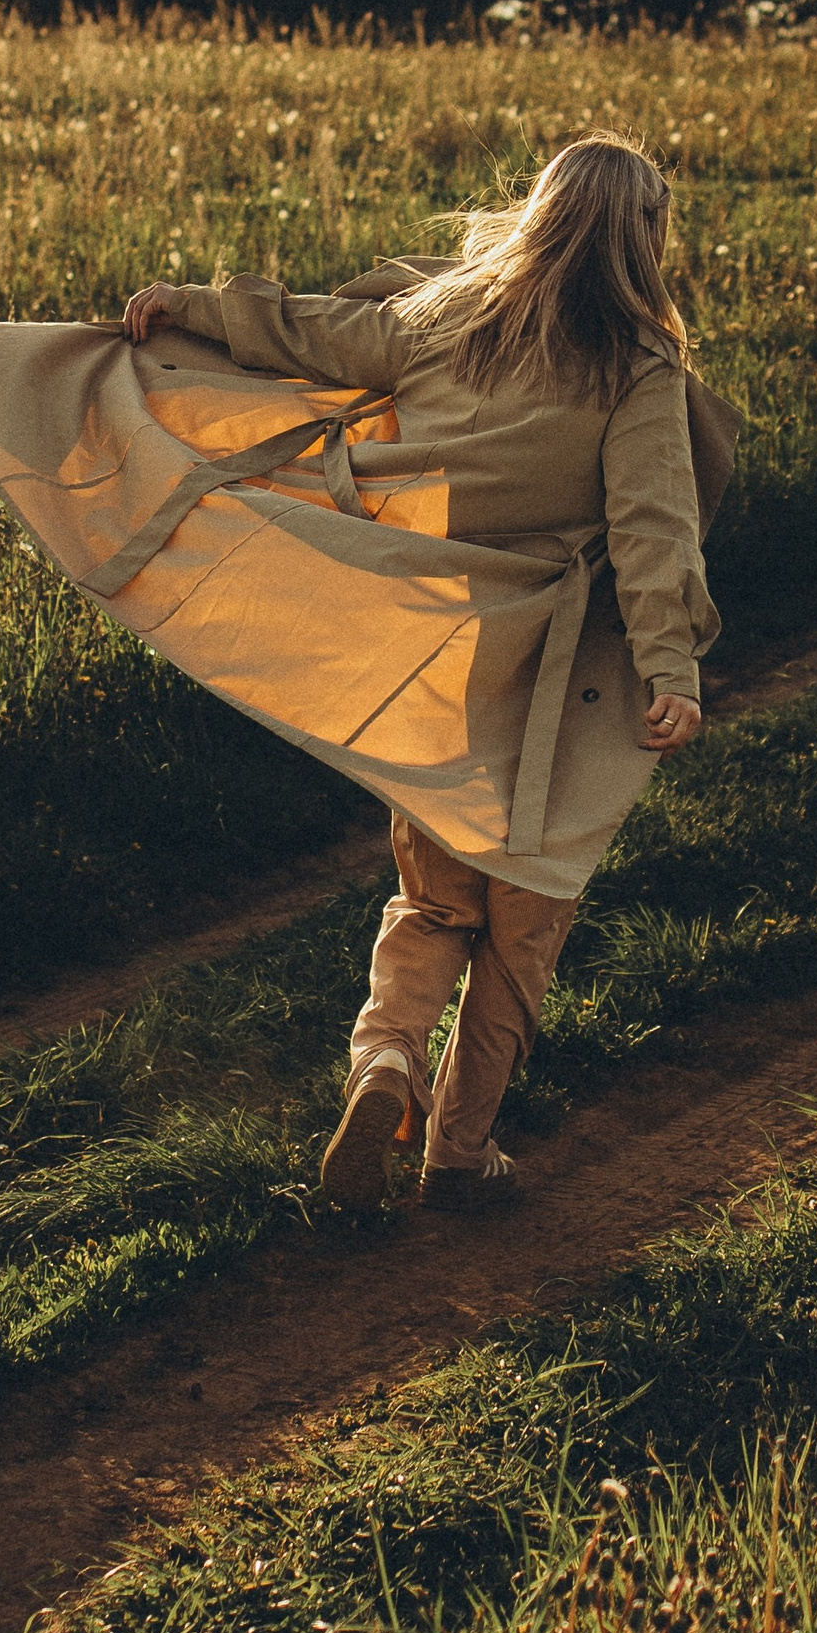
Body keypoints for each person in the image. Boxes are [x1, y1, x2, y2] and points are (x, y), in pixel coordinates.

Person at [109, 135, 722, 1212]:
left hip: (437, 652)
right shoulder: (636, 364)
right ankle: (459, 1152)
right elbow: (652, 525)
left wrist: (190, 307)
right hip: (563, 678)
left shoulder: (447, 321)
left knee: (435, 901)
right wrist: (669, 665)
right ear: (643, 241)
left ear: (538, 215)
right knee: (525, 920)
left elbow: (309, 329)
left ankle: (384, 1061)